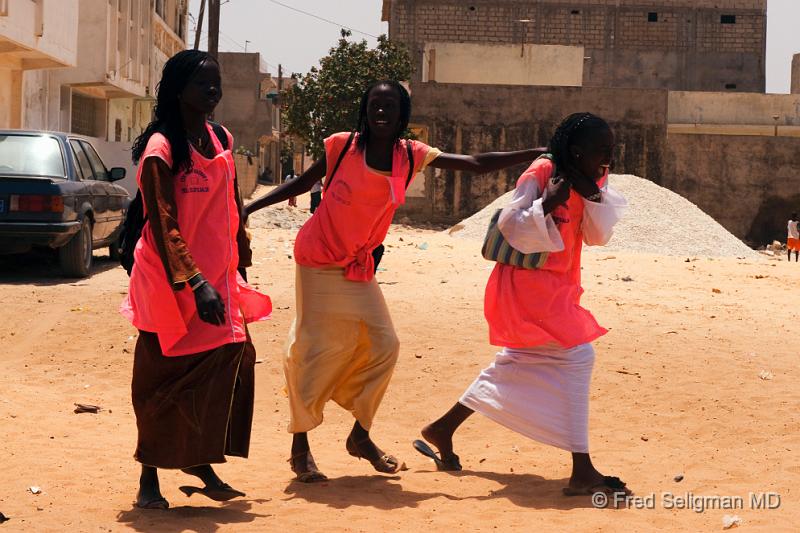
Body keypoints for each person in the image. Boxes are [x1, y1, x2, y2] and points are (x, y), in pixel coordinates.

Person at [245, 80, 548, 483]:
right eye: (375, 105)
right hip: (317, 259)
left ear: (402, 114)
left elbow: (476, 162)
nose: (381, 112)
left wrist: (538, 153)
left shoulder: (411, 155)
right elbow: (303, 183)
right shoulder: (341, 146)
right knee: (314, 349)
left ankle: (360, 436)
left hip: (357, 265)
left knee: (385, 345)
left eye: (390, 106)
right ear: (365, 110)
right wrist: (250, 206)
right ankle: (300, 446)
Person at [413, 112, 632, 498]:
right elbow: (510, 227)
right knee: (578, 357)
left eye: (611, 150)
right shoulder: (541, 172)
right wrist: (547, 204)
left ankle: (442, 429)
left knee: (516, 362)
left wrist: (594, 192)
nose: (608, 158)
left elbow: (597, 236)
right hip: (526, 288)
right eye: (602, 150)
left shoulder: (594, 178)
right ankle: (582, 468)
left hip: (560, 286)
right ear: (577, 150)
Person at [121, 50, 272, 509]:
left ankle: (199, 459)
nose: (213, 91)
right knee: (160, 379)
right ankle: (149, 476)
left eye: (217, 82)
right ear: (178, 89)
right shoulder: (161, 148)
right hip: (168, 282)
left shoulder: (221, 137)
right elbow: (164, 223)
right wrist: (194, 281)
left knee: (231, 359)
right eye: (203, 83)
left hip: (218, 278)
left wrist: (238, 265)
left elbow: (232, 208)